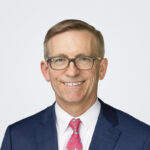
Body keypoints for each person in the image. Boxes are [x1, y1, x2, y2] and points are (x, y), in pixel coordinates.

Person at [1, 19, 150, 150]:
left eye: (84, 59)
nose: (72, 72)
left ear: (102, 69)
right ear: (46, 70)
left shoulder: (141, 138)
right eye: (60, 60)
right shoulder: (16, 138)